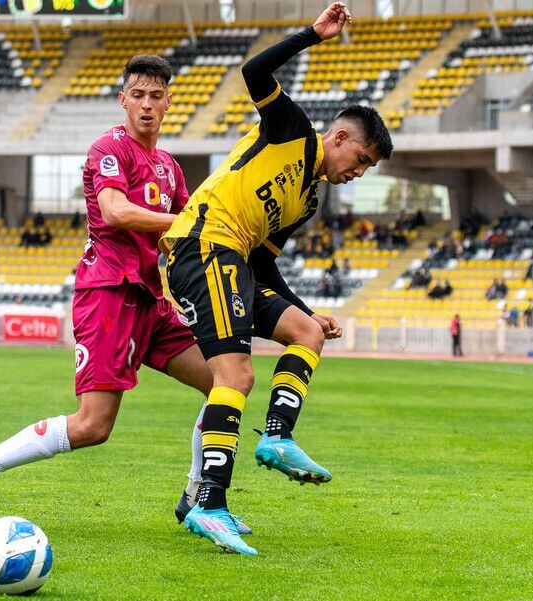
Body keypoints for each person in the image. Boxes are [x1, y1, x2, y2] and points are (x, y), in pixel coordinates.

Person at [0, 53, 215, 538]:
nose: (147, 105)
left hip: (153, 302)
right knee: (93, 426)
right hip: (109, 293)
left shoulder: (171, 168)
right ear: (123, 100)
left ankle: (200, 497)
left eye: (156, 96)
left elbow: (191, 235)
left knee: (226, 381)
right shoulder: (109, 149)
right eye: (138, 95)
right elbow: (114, 211)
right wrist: (189, 222)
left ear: (169, 103)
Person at [162, 2, 389, 555]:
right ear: (337, 137)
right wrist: (313, 34)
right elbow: (254, 74)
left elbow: (264, 265)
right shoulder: (293, 131)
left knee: (306, 334)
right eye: (359, 159)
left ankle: (279, 439)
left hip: (236, 261)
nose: (357, 173)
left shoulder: (308, 198)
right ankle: (208, 504)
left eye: (367, 170)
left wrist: (305, 312)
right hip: (202, 246)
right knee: (234, 375)